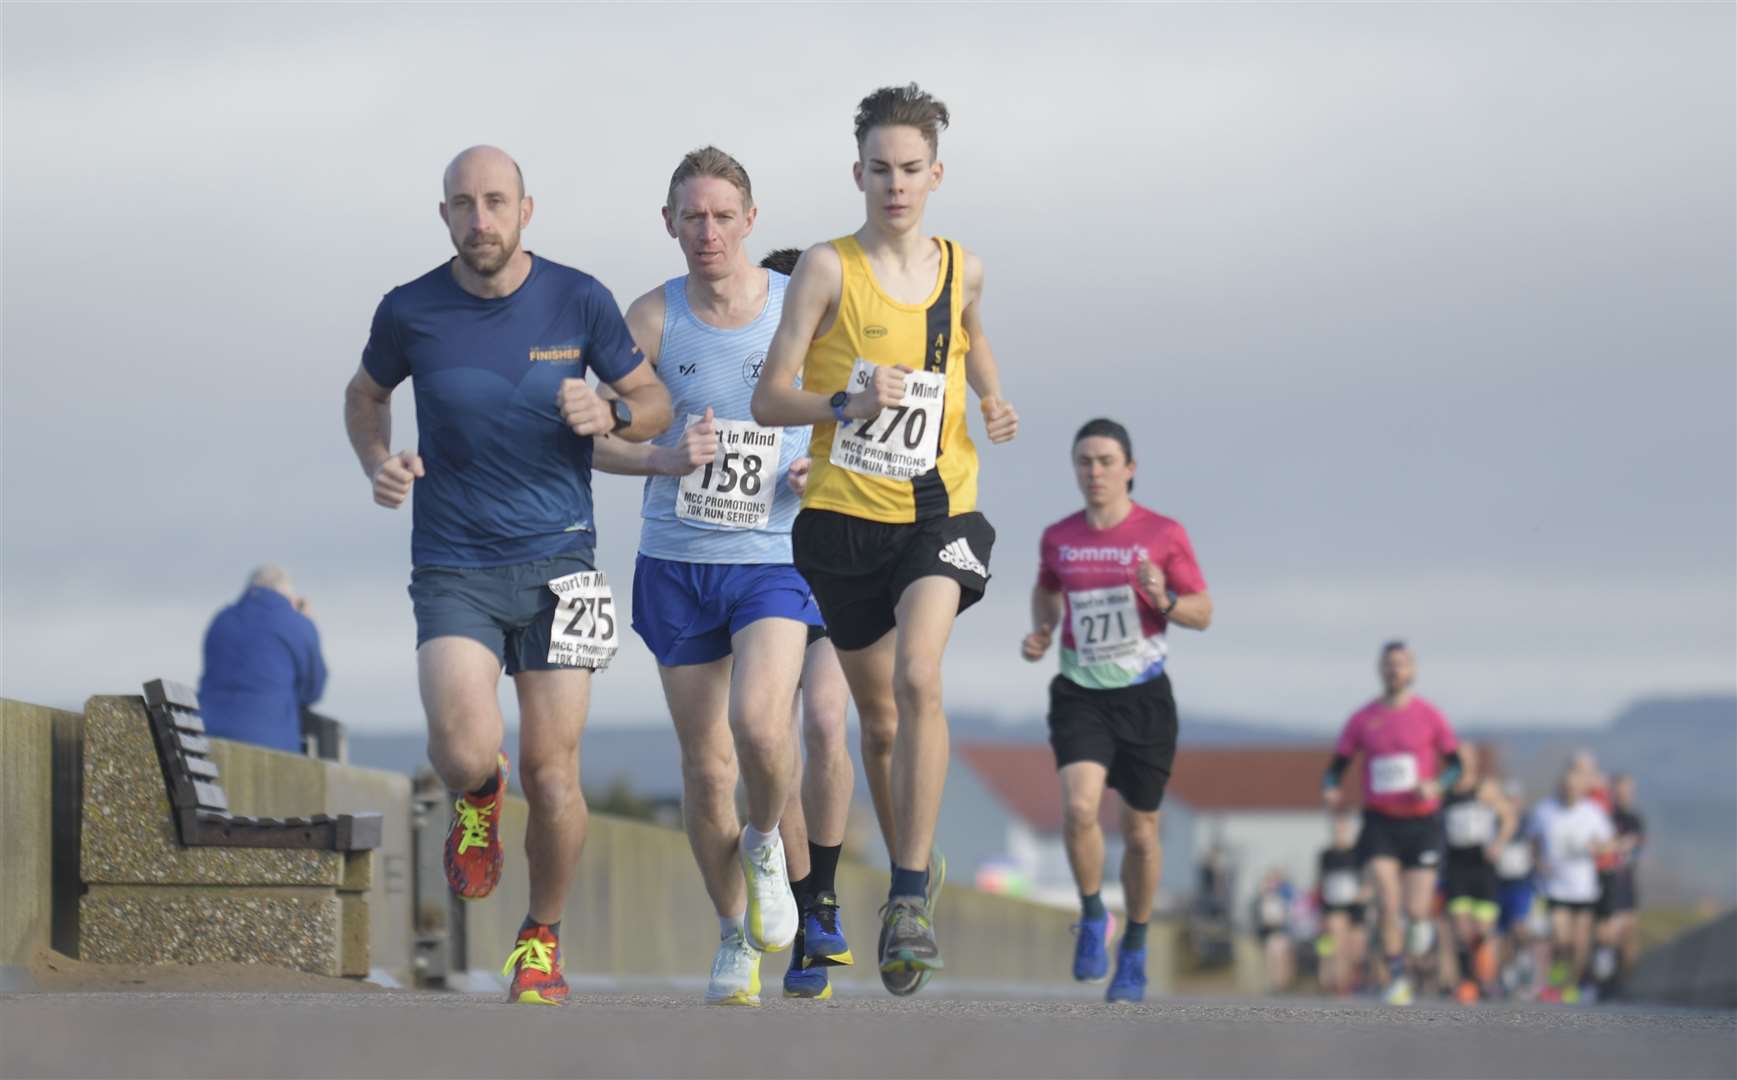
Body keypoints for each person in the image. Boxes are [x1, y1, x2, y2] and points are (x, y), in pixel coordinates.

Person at [343, 146, 672, 1006]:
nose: (479, 220)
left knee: (554, 771)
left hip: (562, 561)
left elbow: (654, 402)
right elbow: (365, 394)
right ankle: (476, 798)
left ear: (527, 208)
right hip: (453, 561)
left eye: (495, 202)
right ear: (444, 214)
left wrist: (615, 409)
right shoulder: (409, 309)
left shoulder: (579, 296)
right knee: (460, 748)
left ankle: (540, 939)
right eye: (463, 204)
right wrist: (378, 460)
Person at [751, 83, 1019, 995]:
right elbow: (769, 395)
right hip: (840, 518)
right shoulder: (827, 270)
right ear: (857, 172)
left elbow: (973, 336)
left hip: (940, 506)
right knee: (880, 719)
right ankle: (903, 875)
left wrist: (987, 393)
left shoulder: (963, 267)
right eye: (879, 170)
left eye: (911, 169)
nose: (895, 184)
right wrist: (850, 402)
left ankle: (909, 893)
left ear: (934, 174)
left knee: (918, 675)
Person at [588, 151, 827, 1006]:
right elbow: (591, 438)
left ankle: (766, 840)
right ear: (668, 223)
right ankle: (733, 937)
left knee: (762, 730)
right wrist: (660, 454)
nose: (708, 232)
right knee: (705, 765)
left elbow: (841, 415)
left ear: (751, 221)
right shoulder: (649, 318)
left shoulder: (794, 313)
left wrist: (816, 475)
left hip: (772, 560)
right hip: (678, 561)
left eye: (723, 216)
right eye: (692, 217)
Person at [1020, 418, 1212, 1002]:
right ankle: (1092, 914)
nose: (1094, 472)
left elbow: (1203, 612)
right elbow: (1047, 585)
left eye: (1106, 461)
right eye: (1084, 461)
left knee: (1142, 833)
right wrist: (1044, 629)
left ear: (1130, 467)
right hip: (1080, 692)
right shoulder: (1059, 536)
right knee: (1079, 809)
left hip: (1144, 698)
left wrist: (1165, 599)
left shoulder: (1163, 533)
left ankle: (1135, 944)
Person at [755, 245, 861, 1003]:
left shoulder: (854, 377)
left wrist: (826, 475)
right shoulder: (746, 375)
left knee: (827, 724)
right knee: (775, 742)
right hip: (761, 578)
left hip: (835, 574)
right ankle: (796, 912)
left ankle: (822, 896)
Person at [1323, 641, 1463, 1006]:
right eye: (1388, 664)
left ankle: (1418, 930)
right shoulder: (1363, 718)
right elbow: (1337, 766)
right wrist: (1331, 789)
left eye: (1401, 664)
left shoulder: (1429, 716)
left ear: (1412, 671)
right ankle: (1396, 977)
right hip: (1380, 821)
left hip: (1421, 823)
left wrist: (1436, 785)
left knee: (1416, 910)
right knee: (1387, 901)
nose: (1394, 670)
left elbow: (1456, 766)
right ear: (1380, 670)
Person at [197, 565, 328, 753]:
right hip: (270, 746)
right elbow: (313, 690)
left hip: (208, 740)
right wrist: (308, 621)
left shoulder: (221, 620)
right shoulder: (299, 625)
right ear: (289, 596)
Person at [1528, 755, 1617, 1004]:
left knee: (1579, 944)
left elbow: (1608, 844)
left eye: (1575, 789)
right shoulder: (1545, 810)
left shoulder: (1593, 813)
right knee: (1561, 938)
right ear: (1560, 787)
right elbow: (1533, 840)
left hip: (1584, 888)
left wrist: (1598, 848)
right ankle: (1556, 979)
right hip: (1555, 886)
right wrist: (1537, 861)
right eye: (1566, 788)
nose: (1570, 792)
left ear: (1582, 790)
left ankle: (1572, 983)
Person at [1440, 745, 1518, 1003]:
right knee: (1460, 928)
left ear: (1474, 762)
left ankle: (1486, 977)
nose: (1462, 764)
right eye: (1458, 759)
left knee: (1482, 931)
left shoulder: (1485, 788)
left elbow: (1509, 817)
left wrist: (1498, 844)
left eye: (1467, 759)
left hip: (1482, 863)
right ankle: (1468, 981)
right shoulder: (1445, 791)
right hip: (1456, 864)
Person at [1594, 774, 1645, 995]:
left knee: (1629, 937)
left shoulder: (1635, 820)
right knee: (1607, 936)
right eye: (1621, 790)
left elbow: (1637, 844)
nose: (1625, 795)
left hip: (1627, 883)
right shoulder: (1603, 817)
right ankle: (1602, 981)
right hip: (1606, 882)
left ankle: (1623, 981)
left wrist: (1624, 845)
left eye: (1629, 790)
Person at [1316, 811, 1369, 996]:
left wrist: (1365, 893)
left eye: (1343, 827)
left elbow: (1369, 881)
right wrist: (1321, 911)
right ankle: (1340, 988)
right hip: (1334, 906)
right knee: (1339, 946)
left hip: (1355, 906)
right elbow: (1321, 883)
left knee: (1356, 952)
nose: (1340, 831)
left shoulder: (1359, 854)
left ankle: (1355, 982)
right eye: (1337, 828)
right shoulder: (1326, 855)